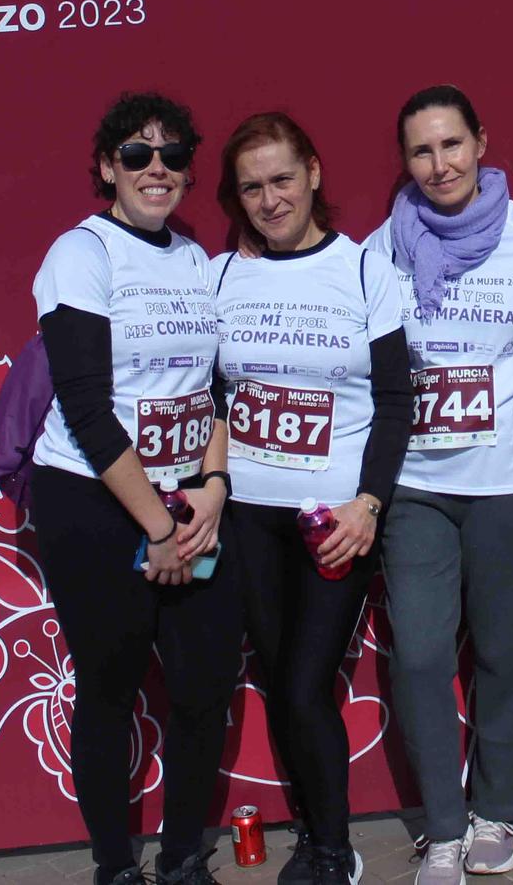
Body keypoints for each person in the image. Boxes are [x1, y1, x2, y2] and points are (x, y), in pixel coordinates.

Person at [29, 92, 241, 885]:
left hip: (186, 503)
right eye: (137, 154)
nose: (158, 168)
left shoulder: (191, 256)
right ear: (106, 166)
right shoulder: (79, 254)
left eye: (174, 154)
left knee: (202, 683)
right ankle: (115, 866)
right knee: (111, 688)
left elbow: (215, 390)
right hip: (93, 501)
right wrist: (157, 527)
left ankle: (185, 856)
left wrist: (211, 485)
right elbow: (85, 407)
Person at [211, 112, 414, 885]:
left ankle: (333, 848)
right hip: (249, 516)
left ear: (315, 174)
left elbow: (397, 401)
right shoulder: (222, 274)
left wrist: (369, 504)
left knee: (304, 682)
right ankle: (318, 833)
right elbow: (210, 397)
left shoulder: (365, 270)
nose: (269, 198)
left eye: (282, 178)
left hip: (333, 518)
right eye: (252, 186)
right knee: (278, 676)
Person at [365, 86, 513, 885]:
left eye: (452, 144)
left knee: (508, 658)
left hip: (510, 484)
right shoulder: (383, 247)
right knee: (419, 656)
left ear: (481, 142)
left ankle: (498, 812)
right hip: (415, 488)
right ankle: (443, 827)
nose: (439, 164)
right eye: (421, 150)